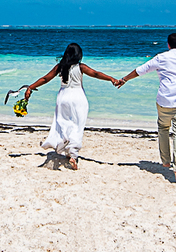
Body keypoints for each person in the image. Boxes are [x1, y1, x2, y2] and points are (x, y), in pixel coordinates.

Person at [115, 32, 176, 183]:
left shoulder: (161, 58)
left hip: (164, 101)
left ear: (168, 44)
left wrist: (124, 79)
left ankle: (165, 161)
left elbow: (140, 70)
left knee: (163, 128)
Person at [23, 42, 119, 170]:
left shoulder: (60, 67)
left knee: (64, 123)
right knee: (77, 126)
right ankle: (73, 154)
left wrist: (30, 87)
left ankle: (67, 149)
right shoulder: (81, 67)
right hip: (78, 97)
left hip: (63, 97)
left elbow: (46, 78)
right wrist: (111, 78)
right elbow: (95, 74)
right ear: (79, 55)